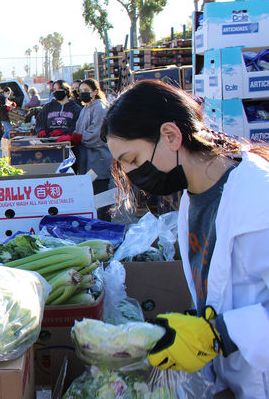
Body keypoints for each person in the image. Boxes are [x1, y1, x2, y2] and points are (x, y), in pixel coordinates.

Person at [101, 79, 269, 398]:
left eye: (133, 160)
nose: (134, 176)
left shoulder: (258, 197)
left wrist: (218, 335)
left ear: (171, 135)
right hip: (231, 377)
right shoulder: (194, 196)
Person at [72, 79, 113, 220]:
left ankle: (106, 229)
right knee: (91, 198)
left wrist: (79, 138)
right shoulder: (85, 108)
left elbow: (97, 134)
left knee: (101, 199)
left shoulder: (100, 108)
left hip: (98, 159)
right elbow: (79, 130)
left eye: (86, 90)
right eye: (81, 91)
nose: (83, 93)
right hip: (86, 159)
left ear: (95, 91)